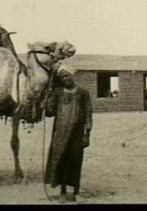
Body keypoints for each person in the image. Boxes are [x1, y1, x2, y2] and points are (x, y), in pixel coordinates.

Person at [44, 64, 92, 203]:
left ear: (72, 76)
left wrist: (87, 133)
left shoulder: (83, 93)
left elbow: (88, 113)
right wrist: (47, 101)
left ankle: (76, 191)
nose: (65, 78)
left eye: (67, 75)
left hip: (77, 133)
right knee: (61, 161)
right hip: (60, 133)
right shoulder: (58, 92)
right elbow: (50, 112)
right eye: (62, 77)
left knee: (75, 161)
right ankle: (63, 192)